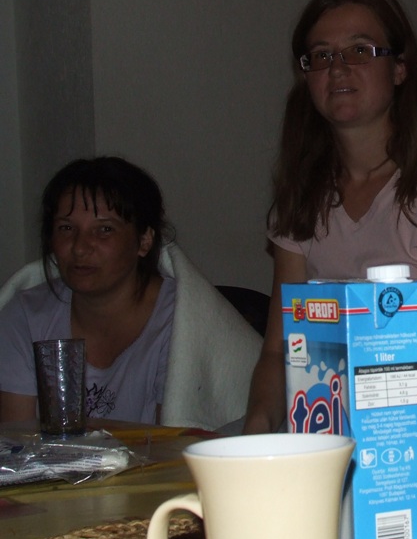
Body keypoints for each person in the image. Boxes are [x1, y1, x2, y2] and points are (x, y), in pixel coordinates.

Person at [243, 0, 417, 475]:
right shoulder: (302, 198)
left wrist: (329, 411)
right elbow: (278, 353)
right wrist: (256, 433)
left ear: (400, 68)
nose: (337, 67)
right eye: (321, 55)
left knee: (338, 475)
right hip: (322, 420)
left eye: (359, 50)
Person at [0, 157, 263, 429]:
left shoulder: (182, 324)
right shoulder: (26, 316)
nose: (80, 247)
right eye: (66, 228)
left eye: (104, 230)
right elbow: (17, 439)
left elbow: (173, 440)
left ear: (144, 240)